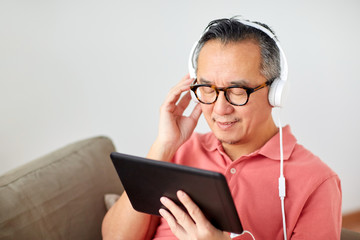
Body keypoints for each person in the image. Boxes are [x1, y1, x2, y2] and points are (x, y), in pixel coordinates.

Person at [102, 17, 342, 240]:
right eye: (207, 88)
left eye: (237, 91)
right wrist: (163, 147)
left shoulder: (317, 181)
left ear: (275, 93)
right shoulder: (179, 150)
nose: (219, 109)